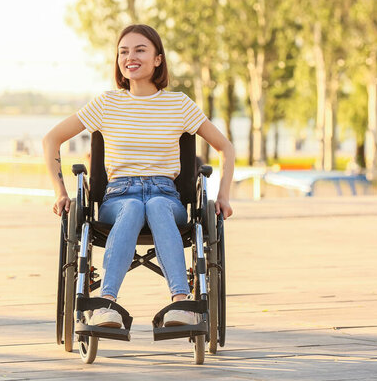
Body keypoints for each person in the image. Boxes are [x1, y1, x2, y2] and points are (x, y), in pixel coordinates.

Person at [43, 24, 234, 329]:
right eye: (123, 51)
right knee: (133, 206)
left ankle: (181, 304)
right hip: (119, 197)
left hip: (165, 196)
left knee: (156, 205)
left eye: (140, 50)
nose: (130, 57)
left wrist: (222, 196)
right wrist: (60, 192)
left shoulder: (180, 104)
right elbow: (51, 139)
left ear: (158, 59)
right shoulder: (106, 103)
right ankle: (106, 303)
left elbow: (225, 147)